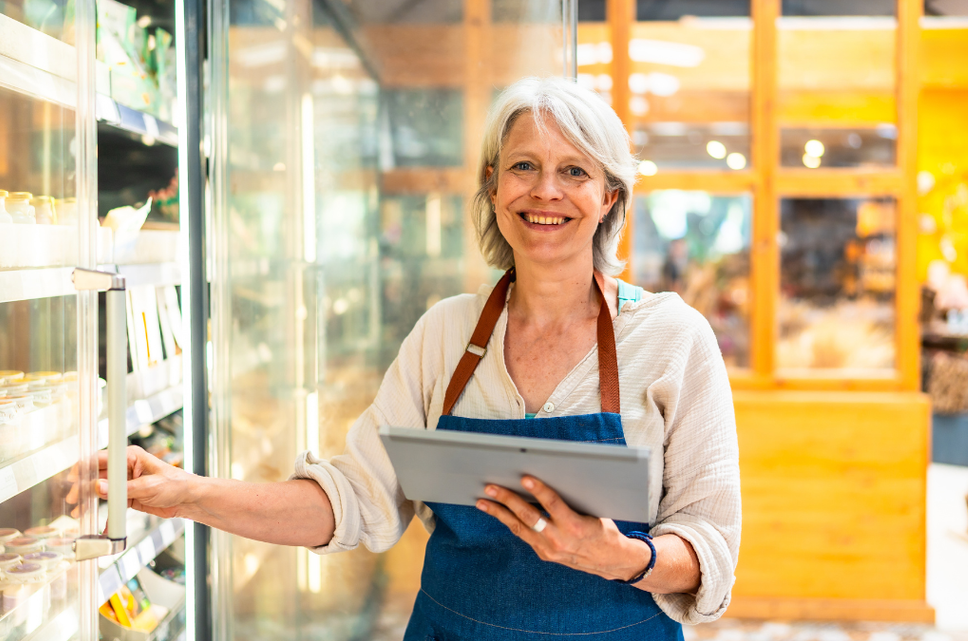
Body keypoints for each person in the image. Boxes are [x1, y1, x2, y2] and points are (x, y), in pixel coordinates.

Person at [99, 76, 741, 640]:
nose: (546, 191)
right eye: (523, 167)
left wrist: (625, 558)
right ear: (492, 186)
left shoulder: (674, 339)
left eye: (575, 171)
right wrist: (188, 493)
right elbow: (354, 499)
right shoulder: (444, 334)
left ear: (609, 198)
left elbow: (709, 542)